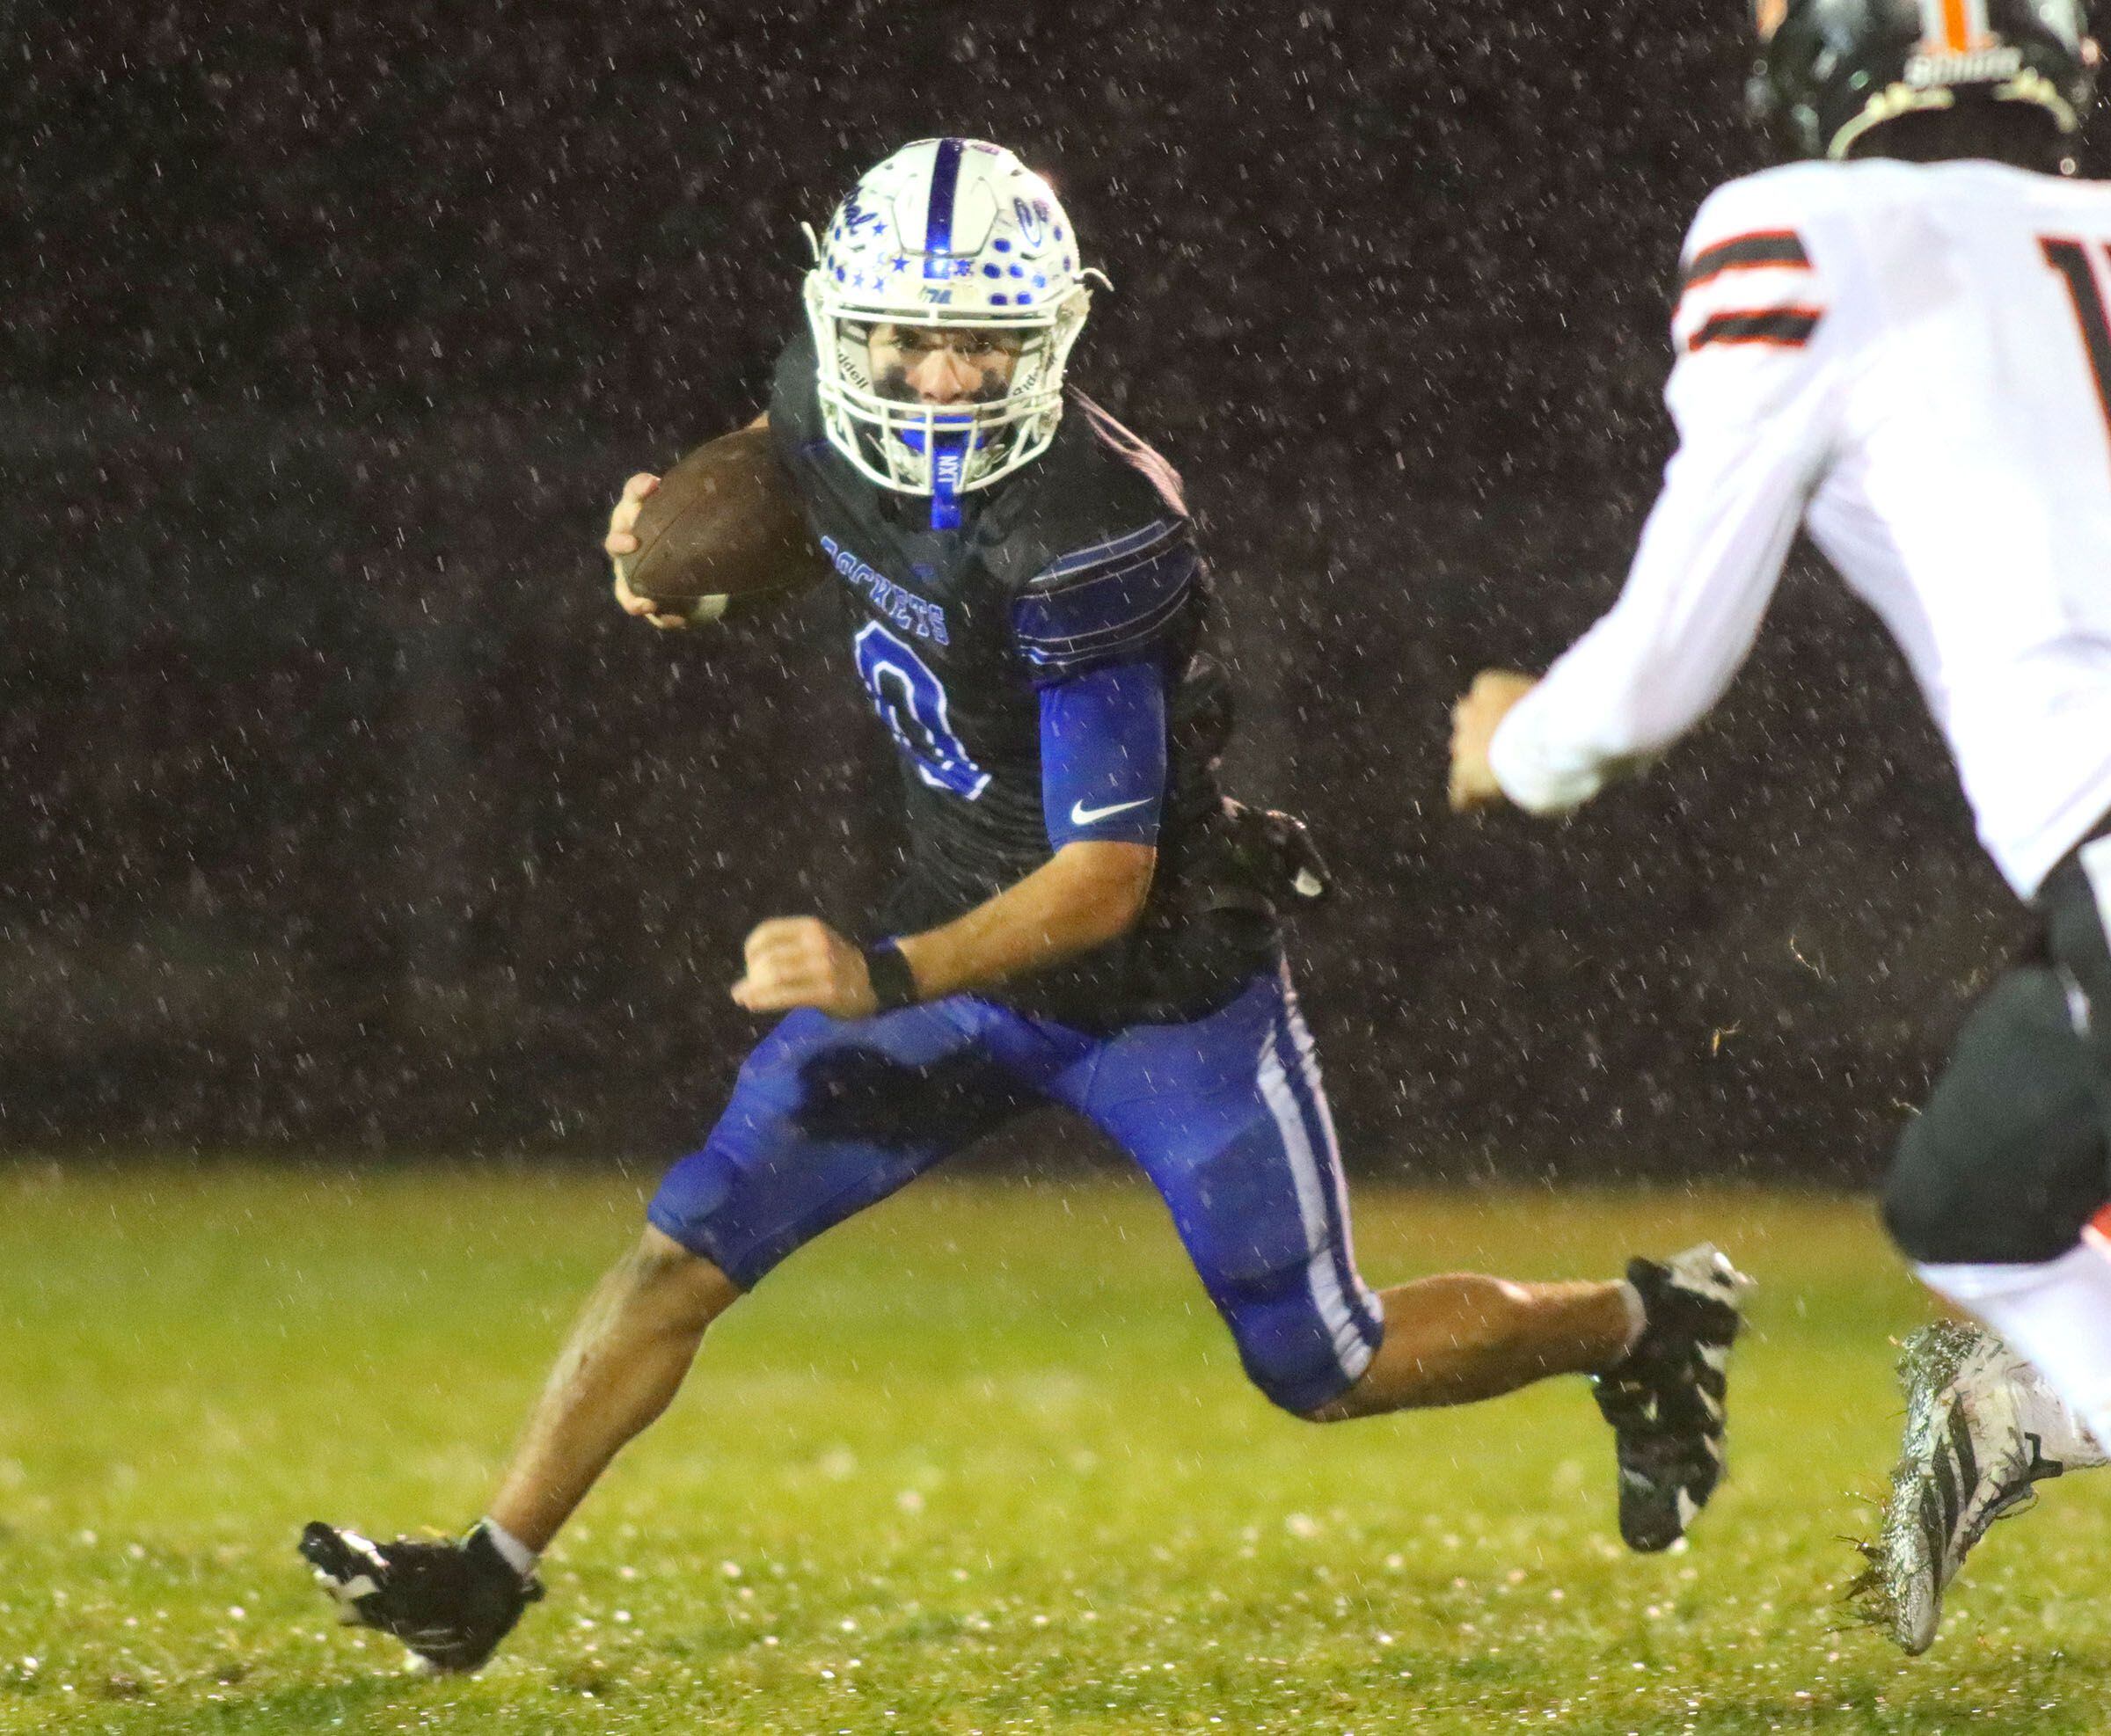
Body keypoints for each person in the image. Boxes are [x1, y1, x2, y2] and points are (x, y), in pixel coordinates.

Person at [299, 138, 1748, 1675]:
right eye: (906, 338)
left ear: (1047, 334)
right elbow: (779, 452)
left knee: (1327, 1361)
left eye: (981, 339)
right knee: (687, 1244)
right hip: (952, 950)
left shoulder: (1082, 532)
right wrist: (664, 544)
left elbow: (1099, 879)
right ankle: (484, 1574)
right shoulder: (821, 388)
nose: (936, 377)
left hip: (1152, 985)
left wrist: (883, 970)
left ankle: (1641, 1328)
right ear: (845, 325)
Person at [1445, 0, 2111, 1657]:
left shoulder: (1802, 228)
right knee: (1981, 1187)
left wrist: (1520, 743)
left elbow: (1661, 661)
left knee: (1994, 1207)